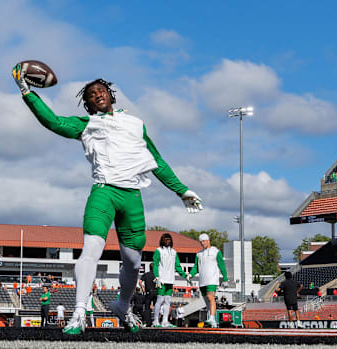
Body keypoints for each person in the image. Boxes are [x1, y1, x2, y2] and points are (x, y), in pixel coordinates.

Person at [12, 67, 203, 335]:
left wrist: (182, 190)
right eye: (91, 94)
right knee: (91, 249)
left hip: (132, 196)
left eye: (101, 90)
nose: (97, 94)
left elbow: (156, 161)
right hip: (104, 192)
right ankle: (79, 311)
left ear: (111, 95)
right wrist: (26, 91)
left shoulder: (136, 123)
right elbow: (53, 122)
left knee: (133, 262)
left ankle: (122, 306)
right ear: (87, 104)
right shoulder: (87, 124)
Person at [187, 234, 228, 328]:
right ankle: (212, 320)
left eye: (204, 241)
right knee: (206, 302)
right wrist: (190, 275)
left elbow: (222, 265)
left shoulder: (216, 252)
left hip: (212, 280)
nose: (202, 243)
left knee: (211, 298)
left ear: (208, 241)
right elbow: (195, 267)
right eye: (201, 242)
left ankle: (212, 318)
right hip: (202, 281)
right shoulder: (199, 254)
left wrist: (225, 278)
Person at [152, 233, 189, 328]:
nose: (167, 241)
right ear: (162, 240)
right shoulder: (158, 251)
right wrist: (157, 277)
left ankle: (165, 321)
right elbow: (155, 264)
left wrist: (185, 275)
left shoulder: (174, 252)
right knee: (160, 300)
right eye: (165, 239)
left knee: (168, 301)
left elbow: (177, 266)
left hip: (170, 279)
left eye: (169, 239)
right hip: (161, 280)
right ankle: (156, 320)